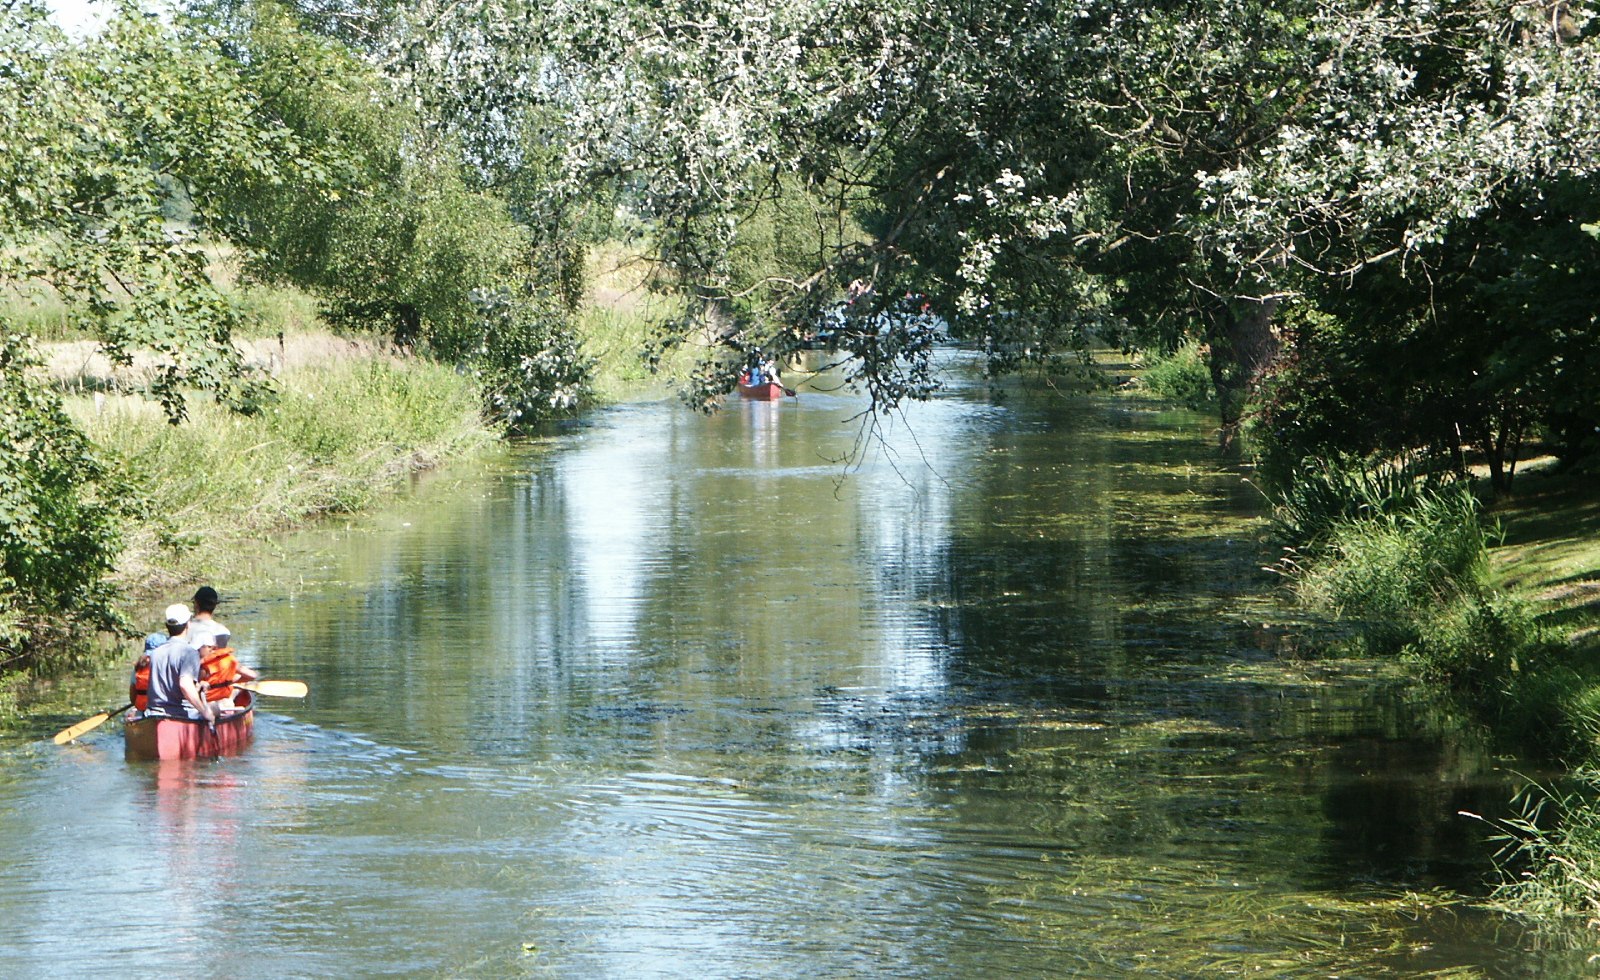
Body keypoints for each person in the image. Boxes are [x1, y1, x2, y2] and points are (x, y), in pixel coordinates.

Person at [143, 604, 217, 727]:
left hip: (154, 713)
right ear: (188, 624)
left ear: (167, 626)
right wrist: (205, 712)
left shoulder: (155, 653)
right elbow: (185, 685)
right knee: (217, 707)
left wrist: (197, 686)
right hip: (181, 715)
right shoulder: (190, 653)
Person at [188, 585, 257, 705]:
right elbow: (222, 662)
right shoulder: (223, 631)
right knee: (238, 683)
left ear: (196, 604)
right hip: (214, 684)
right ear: (215, 606)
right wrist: (232, 681)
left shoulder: (184, 629)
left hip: (190, 681)